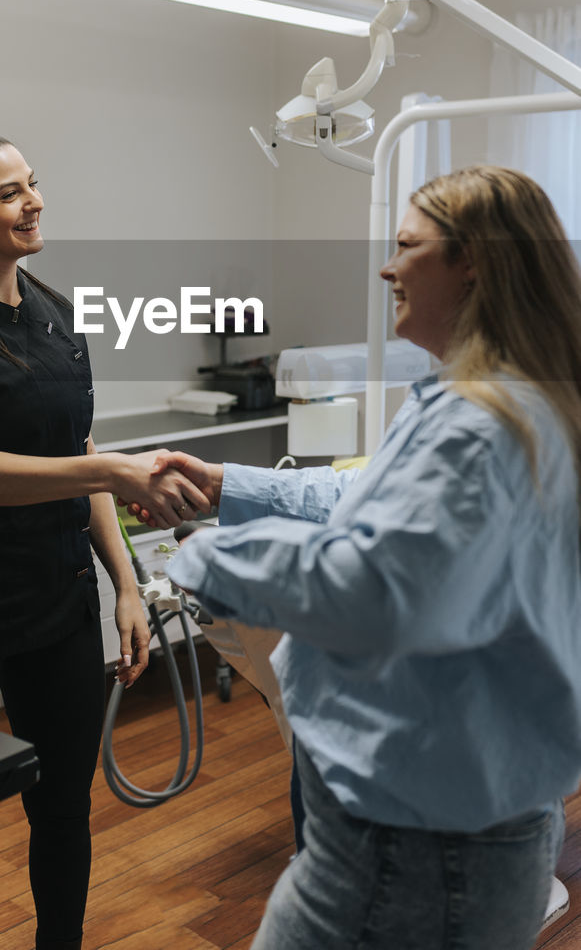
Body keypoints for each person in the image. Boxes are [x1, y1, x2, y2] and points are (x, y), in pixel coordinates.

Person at [141, 166, 581, 949]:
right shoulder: (504, 397)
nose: (386, 267)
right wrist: (227, 486)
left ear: (472, 260)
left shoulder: (480, 425)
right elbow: (367, 506)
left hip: (418, 845)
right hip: (440, 814)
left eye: (407, 247)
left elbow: (375, 588)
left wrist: (207, 557)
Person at [0, 131, 208, 950]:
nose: (36, 202)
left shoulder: (54, 312)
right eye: (11, 192)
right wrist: (115, 478)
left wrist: (124, 585)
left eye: (34, 184)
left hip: (56, 605)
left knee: (62, 807)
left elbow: (81, 458)